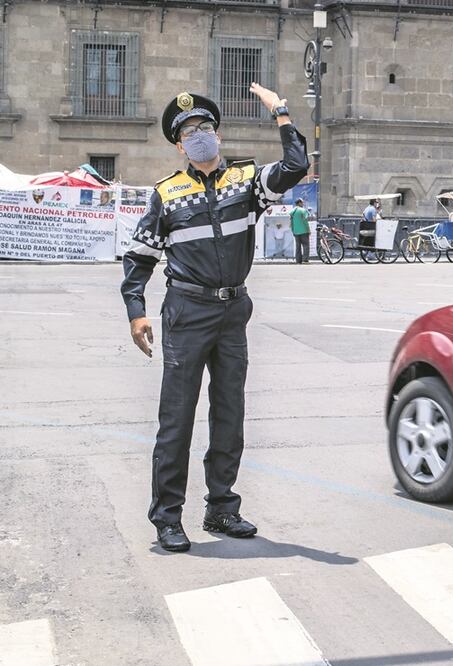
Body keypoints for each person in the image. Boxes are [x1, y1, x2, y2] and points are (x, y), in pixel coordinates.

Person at [120, 85, 308, 553]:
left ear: (217, 135)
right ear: (178, 145)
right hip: (186, 312)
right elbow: (139, 258)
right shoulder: (168, 194)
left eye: (205, 127)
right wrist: (136, 313)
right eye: (189, 132)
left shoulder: (246, 182)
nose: (199, 136)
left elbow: (295, 168)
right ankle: (167, 518)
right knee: (177, 420)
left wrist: (280, 112)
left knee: (230, 414)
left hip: (232, 312)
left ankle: (222, 507)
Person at [291, 198, 310, 263]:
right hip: (304, 231)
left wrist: (293, 231)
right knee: (306, 245)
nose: (303, 204)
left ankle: (298, 260)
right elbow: (305, 221)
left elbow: (291, 223)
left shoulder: (292, 211)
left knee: (298, 246)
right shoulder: (303, 210)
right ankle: (305, 259)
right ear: (299, 203)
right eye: (302, 202)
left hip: (296, 231)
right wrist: (308, 229)